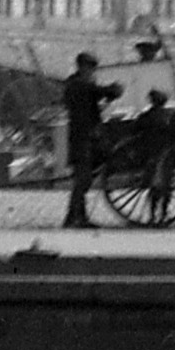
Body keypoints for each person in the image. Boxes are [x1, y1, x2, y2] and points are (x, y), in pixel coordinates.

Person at [58, 52, 118, 230]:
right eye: (90, 68)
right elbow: (96, 91)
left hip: (83, 138)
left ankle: (75, 217)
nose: (92, 72)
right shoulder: (78, 85)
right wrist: (112, 90)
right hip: (82, 139)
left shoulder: (76, 84)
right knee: (82, 180)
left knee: (82, 180)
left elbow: (96, 93)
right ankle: (74, 218)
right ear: (82, 67)